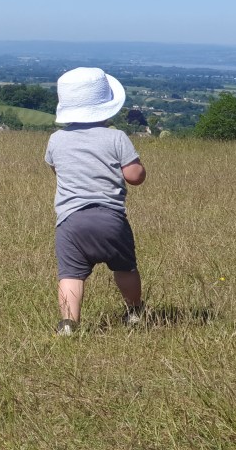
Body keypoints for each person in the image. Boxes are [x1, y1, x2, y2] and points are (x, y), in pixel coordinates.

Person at [45, 67, 147, 335]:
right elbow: (134, 176)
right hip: (110, 219)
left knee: (70, 275)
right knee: (125, 267)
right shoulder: (116, 137)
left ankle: (68, 323)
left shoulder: (56, 140)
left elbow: (57, 170)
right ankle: (135, 312)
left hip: (70, 222)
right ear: (106, 106)